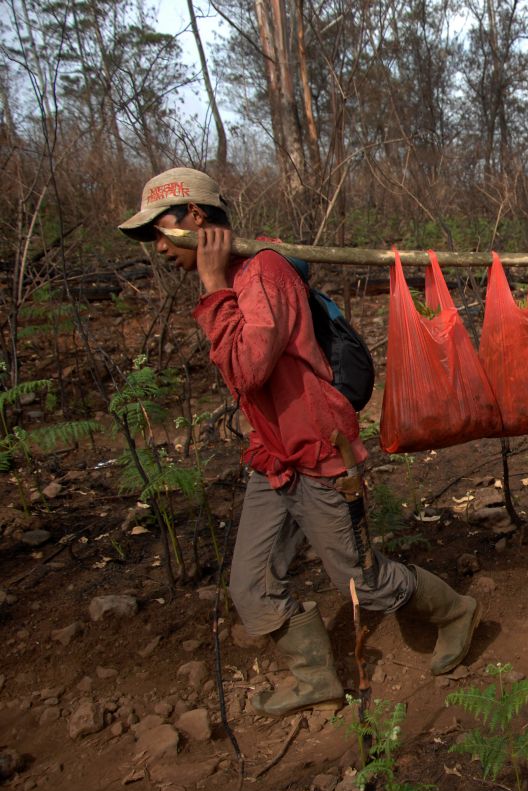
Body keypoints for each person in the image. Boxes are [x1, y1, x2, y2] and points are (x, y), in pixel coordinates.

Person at [119, 168, 482, 716]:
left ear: (196, 217)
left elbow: (247, 368)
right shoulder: (240, 274)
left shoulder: (262, 273)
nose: (159, 246)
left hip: (318, 450)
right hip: (274, 455)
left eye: (162, 229)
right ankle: (316, 678)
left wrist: (215, 287)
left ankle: (456, 612)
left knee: (368, 585)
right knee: (251, 584)